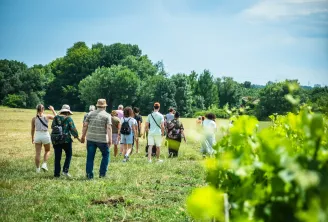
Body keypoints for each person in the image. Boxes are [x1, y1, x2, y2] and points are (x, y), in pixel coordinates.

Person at [81, 99, 112, 179]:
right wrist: (110, 140)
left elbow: (85, 125)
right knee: (106, 155)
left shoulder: (90, 114)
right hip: (102, 139)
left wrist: (83, 136)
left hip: (90, 138)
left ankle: (89, 175)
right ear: (105, 106)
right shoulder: (107, 115)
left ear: (97, 106)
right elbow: (109, 128)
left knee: (90, 157)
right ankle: (102, 174)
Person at [51, 104, 80, 177]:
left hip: (56, 140)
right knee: (69, 155)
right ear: (68, 112)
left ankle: (56, 173)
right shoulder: (69, 119)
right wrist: (77, 137)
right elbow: (73, 129)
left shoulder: (56, 118)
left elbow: (52, 127)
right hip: (66, 140)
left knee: (57, 157)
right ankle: (65, 171)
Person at [31, 104, 57, 173]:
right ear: (43, 109)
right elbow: (56, 118)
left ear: (37, 109)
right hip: (45, 134)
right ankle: (44, 164)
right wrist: (52, 110)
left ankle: (37, 169)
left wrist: (32, 138)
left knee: (37, 153)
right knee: (47, 150)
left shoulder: (34, 118)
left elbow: (32, 129)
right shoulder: (47, 116)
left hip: (38, 135)